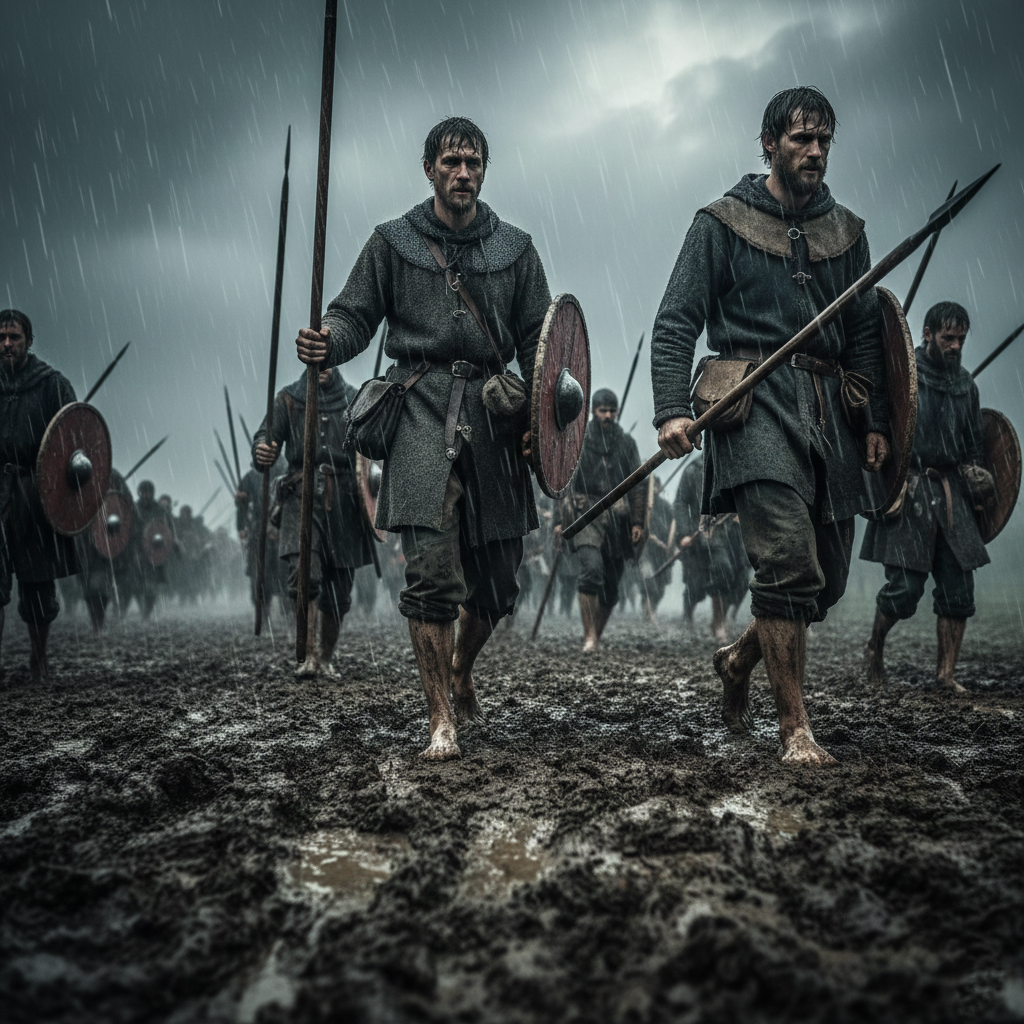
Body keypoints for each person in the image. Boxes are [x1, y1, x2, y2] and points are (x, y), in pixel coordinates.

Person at [294, 116, 552, 760]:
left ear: (483, 171)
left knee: (496, 585)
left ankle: (462, 668)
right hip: (418, 412)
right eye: (451, 161)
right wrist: (329, 340)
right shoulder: (392, 242)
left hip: (493, 419)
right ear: (430, 168)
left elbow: (544, 347)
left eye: (472, 163)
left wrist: (543, 425)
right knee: (433, 578)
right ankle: (440, 716)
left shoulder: (515, 249)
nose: (462, 173)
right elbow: (354, 315)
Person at [651, 87, 892, 765]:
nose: (814, 152)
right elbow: (675, 322)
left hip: (827, 410)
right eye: (800, 140)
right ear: (769, 143)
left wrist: (872, 417)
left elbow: (867, 335)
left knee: (826, 581)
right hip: (751, 403)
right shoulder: (721, 222)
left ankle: (738, 658)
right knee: (786, 562)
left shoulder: (846, 230)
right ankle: (795, 729)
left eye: (823, 141)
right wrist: (672, 408)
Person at [861, 301, 993, 692]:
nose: (955, 346)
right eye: (948, 338)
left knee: (958, 592)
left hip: (951, 494)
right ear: (927, 334)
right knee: (904, 590)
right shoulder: (905, 373)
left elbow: (973, 445)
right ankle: (875, 646)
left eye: (961, 339)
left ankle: (945, 675)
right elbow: (884, 428)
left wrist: (976, 470)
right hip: (911, 488)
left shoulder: (966, 386)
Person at [253, 365, 374, 676]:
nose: (323, 368)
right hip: (300, 495)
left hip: (346, 499)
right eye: (318, 363)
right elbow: (266, 435)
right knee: (304, 576)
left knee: (339, 592)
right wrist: (262, 450)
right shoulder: (289, 400)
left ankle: (327, 657)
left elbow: (376, 443)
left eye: (329, 360)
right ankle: (308, 656)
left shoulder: (354, 400)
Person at [0, 309, 79, 680]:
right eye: (1, 337)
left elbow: (75, 442)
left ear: (28, 341)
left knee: (36, 584)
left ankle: (38, 658)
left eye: (14, 337)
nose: (6, 344)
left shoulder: (51, 385)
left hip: (34, 493)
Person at [556, 389, 644, 650]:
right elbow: (564, 482)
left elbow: (638, 484)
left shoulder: (626, 443)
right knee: (592, 570)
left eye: (612, 411)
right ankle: (589, 636)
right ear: (593, 411)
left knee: (612, 585)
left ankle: (597, 631)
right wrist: (559, 521)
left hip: (618, 516)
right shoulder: (579, 440)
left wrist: (637, 521)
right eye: (603, 410)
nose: (608, 415)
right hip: (586, 514)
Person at [673, 452, 745, 641]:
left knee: (731, 575)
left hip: (728, 534)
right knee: (694, 585)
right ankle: (688, 616)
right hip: (698, 535)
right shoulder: (694, 469)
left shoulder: (736, 464)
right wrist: (683, 534)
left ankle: (718, 621)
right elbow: (680, 503)